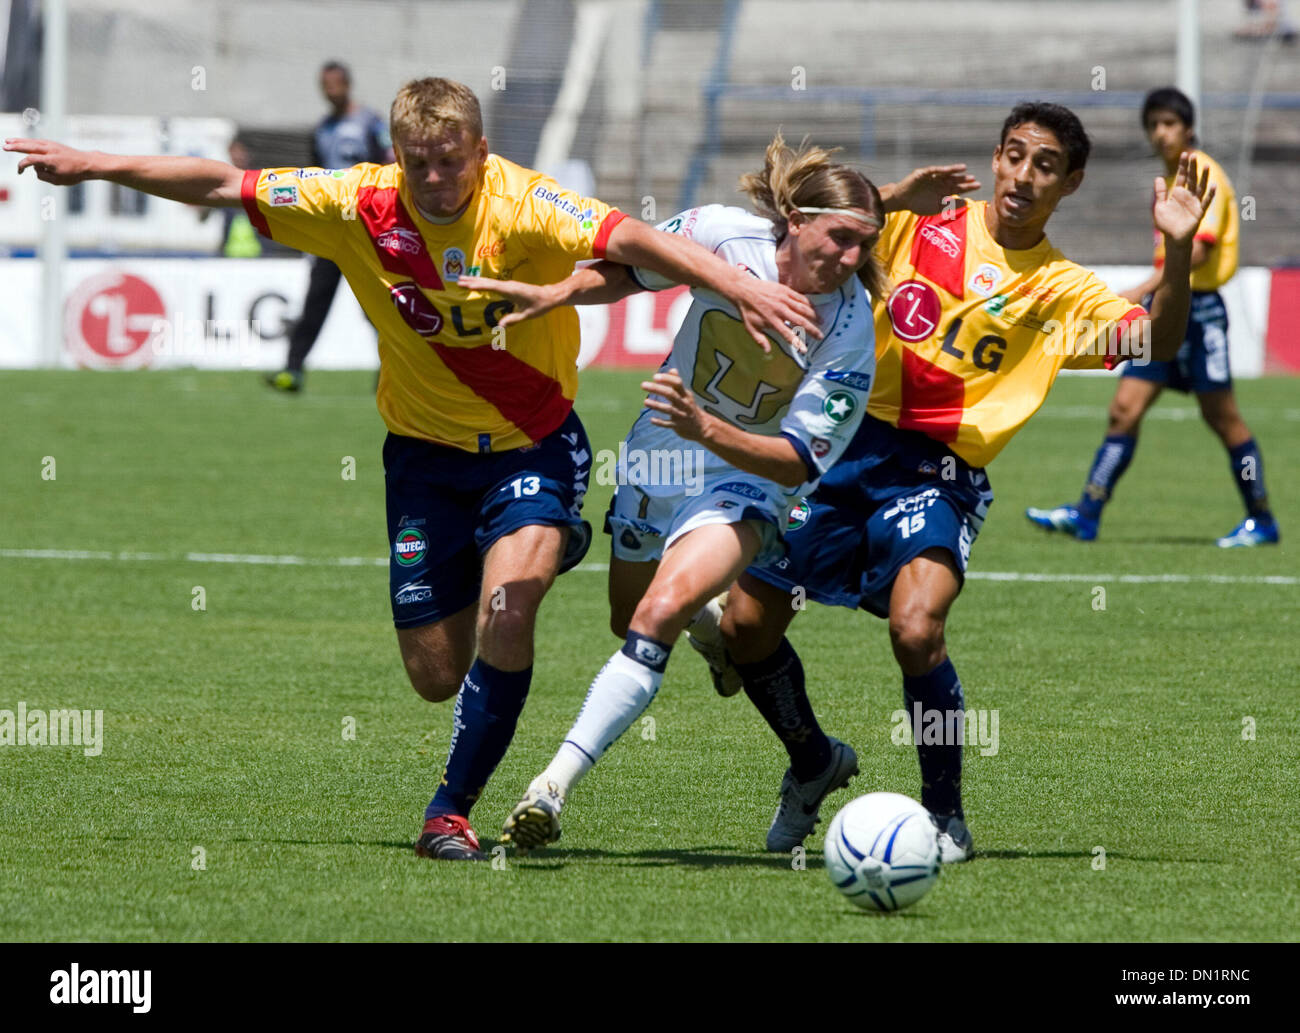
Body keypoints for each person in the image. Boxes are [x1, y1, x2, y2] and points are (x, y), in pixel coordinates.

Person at [5, 76, 818, 863]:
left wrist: (739, 285)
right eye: (417, 161)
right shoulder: (354, 202)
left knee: (510, 608)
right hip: (422, 458)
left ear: (480, 151)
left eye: (450, 160)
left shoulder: (526, 201)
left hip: (532, 446)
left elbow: (634, 240)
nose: (434, 178)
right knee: (436, 673)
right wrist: (94, 162)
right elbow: (222, 182)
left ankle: (450, 811)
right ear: (396, 155)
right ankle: (533, 552)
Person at [695, 103, 1215, 863]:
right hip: (842, 445)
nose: (1022, 176)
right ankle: (812, 763)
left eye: (1044, 165)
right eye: (1014, 156)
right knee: (743, 628)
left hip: (942, 473)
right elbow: (805, 221)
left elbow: (1156, 338)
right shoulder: (921, 223)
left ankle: (945, 817)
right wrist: (895, 195)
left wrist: (1176, 251)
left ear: (1069, 183)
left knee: (917, 628)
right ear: (997, 158)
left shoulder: (1064, 290)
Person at [459, 135, 980, 854]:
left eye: (866, 245)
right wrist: (558, 292)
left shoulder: (852, 326)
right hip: (659, 453)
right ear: (794, 219)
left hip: (747, 476)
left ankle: (550, 786)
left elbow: (797, 460)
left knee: (655, 613)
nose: (853, 260)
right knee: (626, 617)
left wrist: (705, 427)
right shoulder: (722, 235)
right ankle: (731, 655)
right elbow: (628, 272)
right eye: (841, 238)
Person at [1026, 88, 1279, 547]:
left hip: (1198, 314)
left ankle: (1261, 518)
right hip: (1162, 310)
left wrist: (1142, 289)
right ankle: (1086, 514)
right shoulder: (1168, 176)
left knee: (1224, 419)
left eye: (1169, 123)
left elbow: (1199, 250)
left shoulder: (1203, 174)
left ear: (1188, 127)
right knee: (1124, 410)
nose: (1161, 133)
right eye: (1153, 124)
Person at [266, 60, 395, 393]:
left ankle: (393, 369)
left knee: (376, 305)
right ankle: (292, 370)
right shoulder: (321, 129)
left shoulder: (370, 122)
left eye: (334, 84)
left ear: (347, 84)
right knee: (315, 301)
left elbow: (391, 165)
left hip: (365, 229)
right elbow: (314, 177)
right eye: (325, 85)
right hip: (330, 231)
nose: (329, 90)